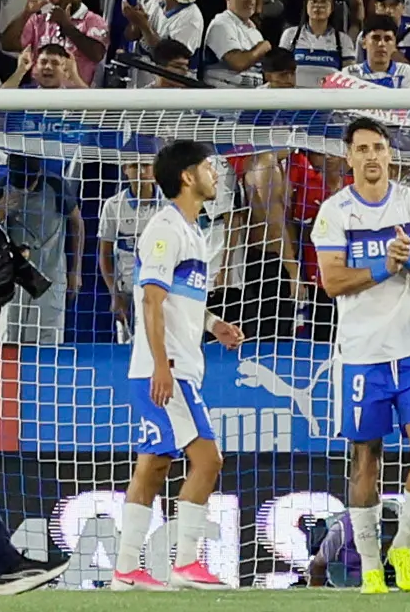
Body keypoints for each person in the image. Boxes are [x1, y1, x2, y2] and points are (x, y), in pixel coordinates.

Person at [307, 116, 410, 595]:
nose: (372, 156)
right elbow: (332, 282)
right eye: (363, 149)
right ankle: (370, 564)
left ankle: (403, 548)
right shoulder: (334, 212)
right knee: (366, 456)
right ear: (349, 157)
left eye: (379, 148)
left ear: (390, 155)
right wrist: (383, 266)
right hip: (362, 354)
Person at [113, 136, 243, 592]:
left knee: (154, 464)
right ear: (188, 177)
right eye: (208, 167)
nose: (216, 174)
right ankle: (185, 563)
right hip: (166, 369)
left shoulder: (192, 231)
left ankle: (126, 569)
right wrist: (162, 367)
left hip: (172, 366)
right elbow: (150, 301)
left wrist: (213, 324)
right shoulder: (165, 229)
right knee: (207, 459)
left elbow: (175, 302)